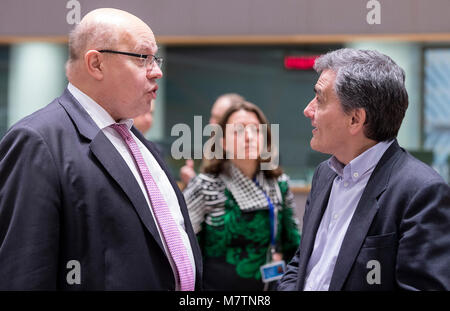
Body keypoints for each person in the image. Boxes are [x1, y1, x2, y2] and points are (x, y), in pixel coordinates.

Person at [0, 8, 202, 290]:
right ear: (96, 64)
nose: (157, 71)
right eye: (142, 57)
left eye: (155, 58)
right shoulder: (37, 141)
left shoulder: (141, 145)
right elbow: (25, 273)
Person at [278, 48, 450, 291]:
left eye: (320, 98)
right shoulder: (324, 174)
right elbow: (302, 264)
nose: (308, 110)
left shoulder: (420, 192)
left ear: (355, 120)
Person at [183, 101, 300, 290]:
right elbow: (183, 251)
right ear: (222, 141)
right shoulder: (204, 186)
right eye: (238, 130)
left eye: (255, 129)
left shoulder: (280, 184)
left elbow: (294, 245)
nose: (249, 137)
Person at [179, 93, 245, 186]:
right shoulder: (211, 146)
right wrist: (193, 181)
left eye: (218, 119)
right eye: (212, 116)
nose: (211, 124)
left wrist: (193, 182)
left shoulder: (244, 151)